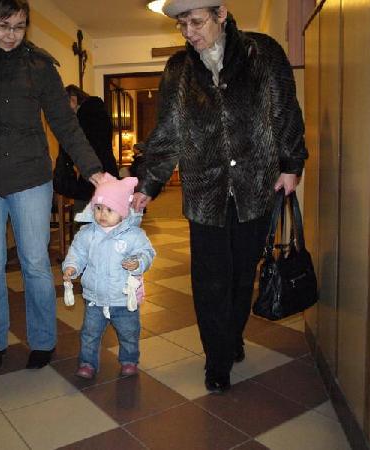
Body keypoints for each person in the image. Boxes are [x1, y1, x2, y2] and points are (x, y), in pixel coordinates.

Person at [132, 0, 308, 394]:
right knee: (210, 278)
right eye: (182, 25)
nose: (189, 32)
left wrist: (291, 164)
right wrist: (148, 184)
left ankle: (232, 336)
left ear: (221, 15)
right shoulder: (178, 69)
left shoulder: (263, 53)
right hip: (204, 191)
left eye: (196, 22)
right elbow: (168, 133)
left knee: (243, 273)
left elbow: (285, 112)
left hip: (255, 185)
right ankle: (217, 357)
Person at [0, 0, 104, 374]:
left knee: (36, 263)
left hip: (31, 177)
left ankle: (42, 341)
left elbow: (65, 123)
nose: (12, 35)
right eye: (3, 26)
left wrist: (92, 167)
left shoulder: (39, 65)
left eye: (19, 26)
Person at [62, 174, 155, 379]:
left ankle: (129, 361)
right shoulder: (87, 234)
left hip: (124, 299)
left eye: (109, 209)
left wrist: (138, 263)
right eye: (98, 208)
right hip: (95, 299)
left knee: (129, 334)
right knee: (89, 334)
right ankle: (87, 364)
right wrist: (71, 267)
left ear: (122, 211)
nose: (102, 214)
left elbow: (147, 253)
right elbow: (77, 254)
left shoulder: (133, 235)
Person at [54, 84, 119, 212]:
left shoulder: (84, 116)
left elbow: (79, 146)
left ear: (73, 99)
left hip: (91, 172)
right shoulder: (97, 112)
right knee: (108, 213)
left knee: (84, 214)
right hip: (105, 169)